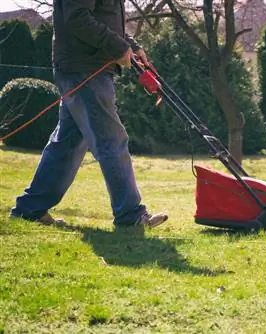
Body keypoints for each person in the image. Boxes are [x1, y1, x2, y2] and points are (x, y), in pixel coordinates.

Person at [9, 0, 168, 228]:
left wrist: (130, 46)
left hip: (85, 67)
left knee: (67, 144)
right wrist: (118, 47)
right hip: (84, 70)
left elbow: (103, 18)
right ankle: (130, 215)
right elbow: (77, 18)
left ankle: (30, 209)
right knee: (111, 139)